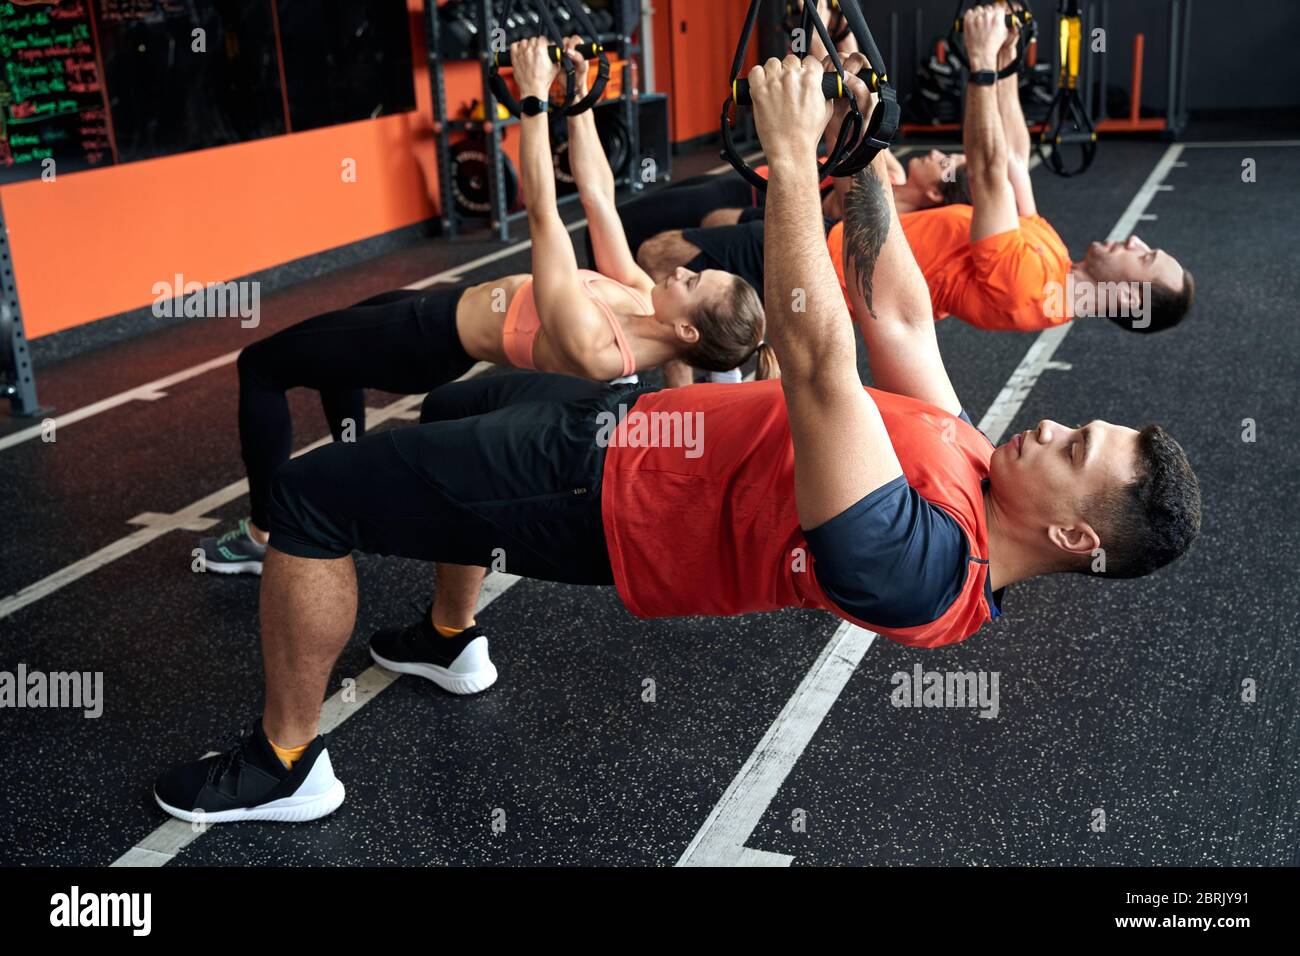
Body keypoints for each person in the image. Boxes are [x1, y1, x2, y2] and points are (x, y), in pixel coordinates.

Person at [153, 55, 1200, 825]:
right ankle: (443, 634)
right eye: (1075, 423)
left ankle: (287, 759)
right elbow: (895, 315)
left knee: (309, 497)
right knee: (445, 409)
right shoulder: (976, 467)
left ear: (1071, 537)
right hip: (635, 428)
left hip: (596, 499)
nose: (1054, 424)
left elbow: (821, 357)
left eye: (1073, 448)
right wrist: (865, 154)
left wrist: (792, 162)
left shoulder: (925, 570)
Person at [197, 36, 769, 577]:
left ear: (688, 332)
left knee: (261, 365)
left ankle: (263, 534)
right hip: (430, 312)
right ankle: (336, 475)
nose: (683, 270)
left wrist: (531, 99)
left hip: (424, 339)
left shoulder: (597, 346)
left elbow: (545, 214)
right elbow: (599, 198)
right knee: (331, 359)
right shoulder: (645, 300)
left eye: (694, 283)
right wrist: (580, 100)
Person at [636, 6, 1195, 337]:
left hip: (828, 267)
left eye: (1145, 258)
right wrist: (1002, 67)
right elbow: (1018, 156)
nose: (1138, 240)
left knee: (661, 252)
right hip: (835, 241)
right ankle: (716, 363)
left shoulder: (1032, 291)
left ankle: (678, 365)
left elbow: (993, 170)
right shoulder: (1055, 259)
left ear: (1127, 299)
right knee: (700, 236)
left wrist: (976, 67)